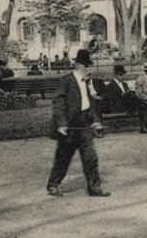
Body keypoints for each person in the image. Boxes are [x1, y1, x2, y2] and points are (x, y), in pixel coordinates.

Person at [46, 49, 109, 198]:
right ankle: (53, 185)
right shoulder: (65, 81)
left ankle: (95, 188)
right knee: (63, 158)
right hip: (69, 126)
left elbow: (90, 104)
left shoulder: (87, 82)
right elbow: (58, 104)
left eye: (89, 66)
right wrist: (61, 124)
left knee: (90, 158)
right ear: (78, 65)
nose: (88, 69)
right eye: (86, 66)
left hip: (84, 124)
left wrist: (96, 121)